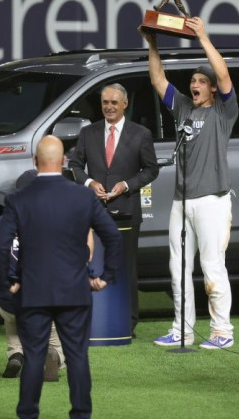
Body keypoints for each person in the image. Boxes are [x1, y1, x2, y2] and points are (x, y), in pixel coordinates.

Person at [0, 135, 124, 419]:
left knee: (34, 356)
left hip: (34, 291)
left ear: (34, 162)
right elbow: (113, 236)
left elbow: (2, 245)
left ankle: (27, 414)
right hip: (75, 290)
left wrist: (10, 282)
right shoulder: (82, 196)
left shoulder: (18, 199)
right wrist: (105, 276)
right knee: (77, 356)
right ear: (64, 161)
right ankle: (81, 414)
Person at [139, 18, 239, 349]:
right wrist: (152, 43)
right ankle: (181, 329)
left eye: (201, 81)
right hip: (182, 201)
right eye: (193, 80)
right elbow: (158, 80)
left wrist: (203, 37)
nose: (195, 84)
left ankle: (222, 331)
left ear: (212, 89)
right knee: (178, 268)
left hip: (212, 200)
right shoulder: (183, 107)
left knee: (212, 268)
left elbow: (223, 74)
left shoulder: (224, 112)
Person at [68, 83, 159, 336]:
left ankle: (128, 324)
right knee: (89, 263)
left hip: (127, 210)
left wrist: (127, 185)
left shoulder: (141, 134)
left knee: (126, 268)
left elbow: (151, 169)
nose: (109, 106)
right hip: (94, 212)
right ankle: (90, 320)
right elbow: (75, 164)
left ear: (125, 104)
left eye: (114, 103)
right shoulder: (88, 133)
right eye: (105, 102)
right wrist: (89, 182)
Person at [0, 169, 74, 382]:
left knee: (12, 325)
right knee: (54, 333)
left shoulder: (2, 222)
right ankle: (53, 357)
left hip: (9, 298)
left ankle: (16, 354)